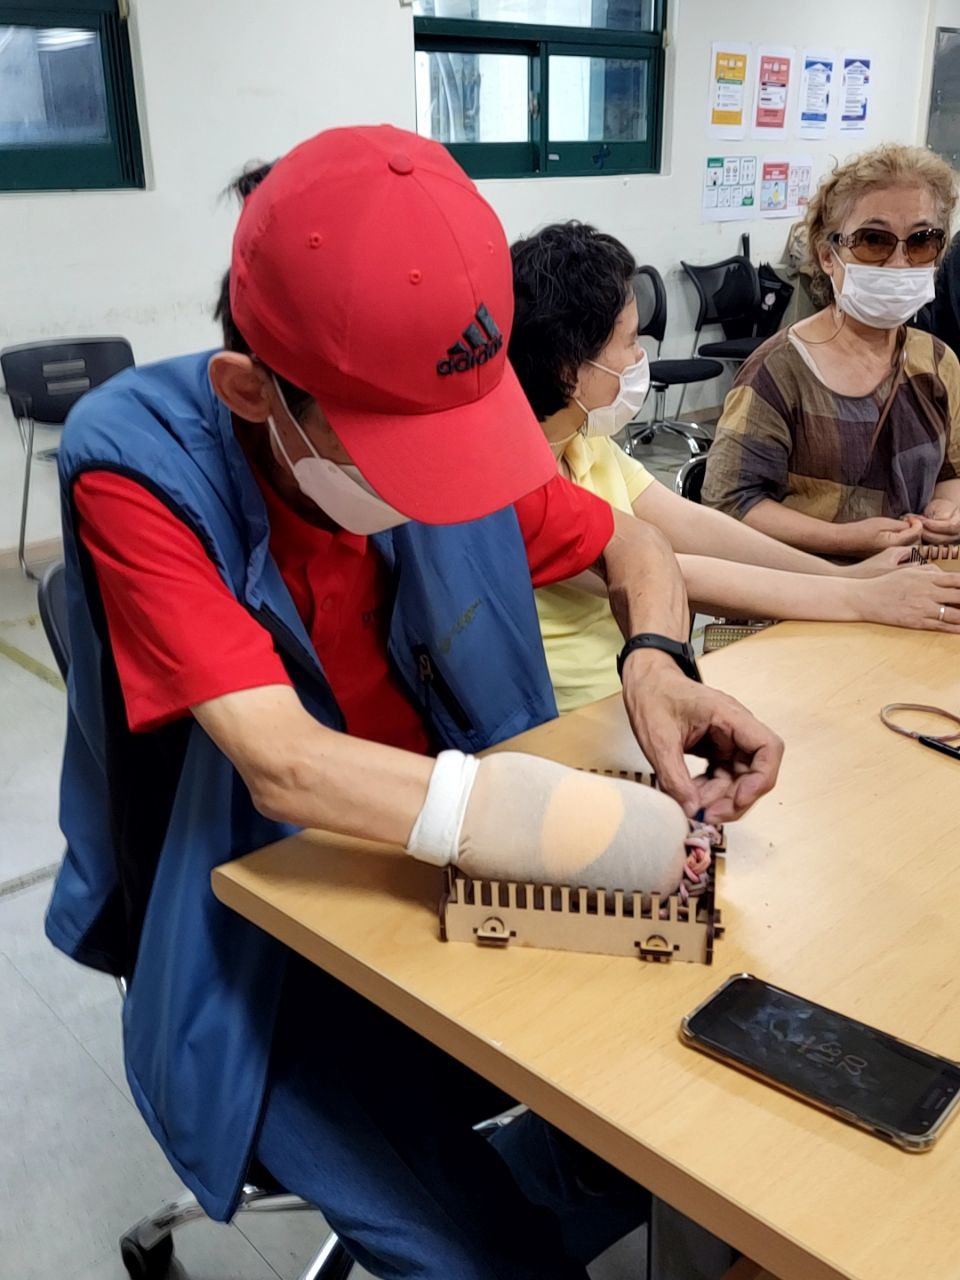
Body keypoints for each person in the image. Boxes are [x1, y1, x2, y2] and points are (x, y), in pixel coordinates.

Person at [44, 127, 783, 1280]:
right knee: (487, 1254)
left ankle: (537, 1184)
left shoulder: (456, 430)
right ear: (252, 391)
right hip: (271, 936)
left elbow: (635, 541)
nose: (441, 487)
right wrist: (617, 833)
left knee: (713, 1111)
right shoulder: (139, 464)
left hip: (448, 877)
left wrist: (654, 658)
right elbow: (285, 765)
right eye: (399, 450)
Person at [509, 222, 960, 713]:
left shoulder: (584, 440)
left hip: (637, 686)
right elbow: (670, 573)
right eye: (630, 342)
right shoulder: (519, 480)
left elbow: (695, 528)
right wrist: (860, 596)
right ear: (568, 369)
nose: (642, 357)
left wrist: (852, 578)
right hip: (574, 715)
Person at [702, 143, 960, 558]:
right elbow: (730, 503)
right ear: (828, 255)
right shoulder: (778, 371)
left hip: (907, 586)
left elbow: (952, 470)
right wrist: (846, 542)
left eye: (921, 241)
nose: (898, 263)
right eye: (873, 241)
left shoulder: (938, 362)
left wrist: (947, 509)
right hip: (805, 592)